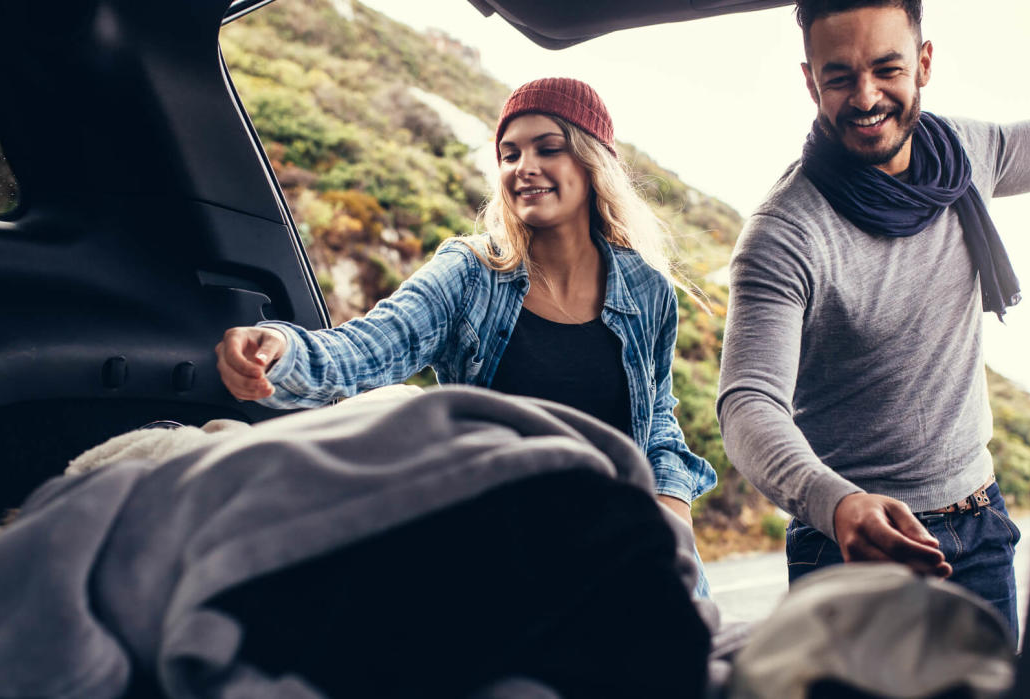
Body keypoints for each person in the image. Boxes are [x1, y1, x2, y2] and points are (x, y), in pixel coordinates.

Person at [215, 77, 718, 593]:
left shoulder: (647, 290)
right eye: (509, 154)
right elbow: (371, 345)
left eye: (548, 149)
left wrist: (671, 517)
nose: (524, 168)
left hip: (625, 554)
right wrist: (281, 350)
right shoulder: (471, 272)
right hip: (503, 552)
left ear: (592, 165)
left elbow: (657, 426)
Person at [716, 0, 1030, 638]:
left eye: (887, 69)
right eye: (839, 76)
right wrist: (836, 503)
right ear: (810, 79)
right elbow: (748, 404)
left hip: (979, 527)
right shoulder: (784, 233)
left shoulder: (969, 154)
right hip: (846, 548)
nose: (866, 97)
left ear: (923, 63)